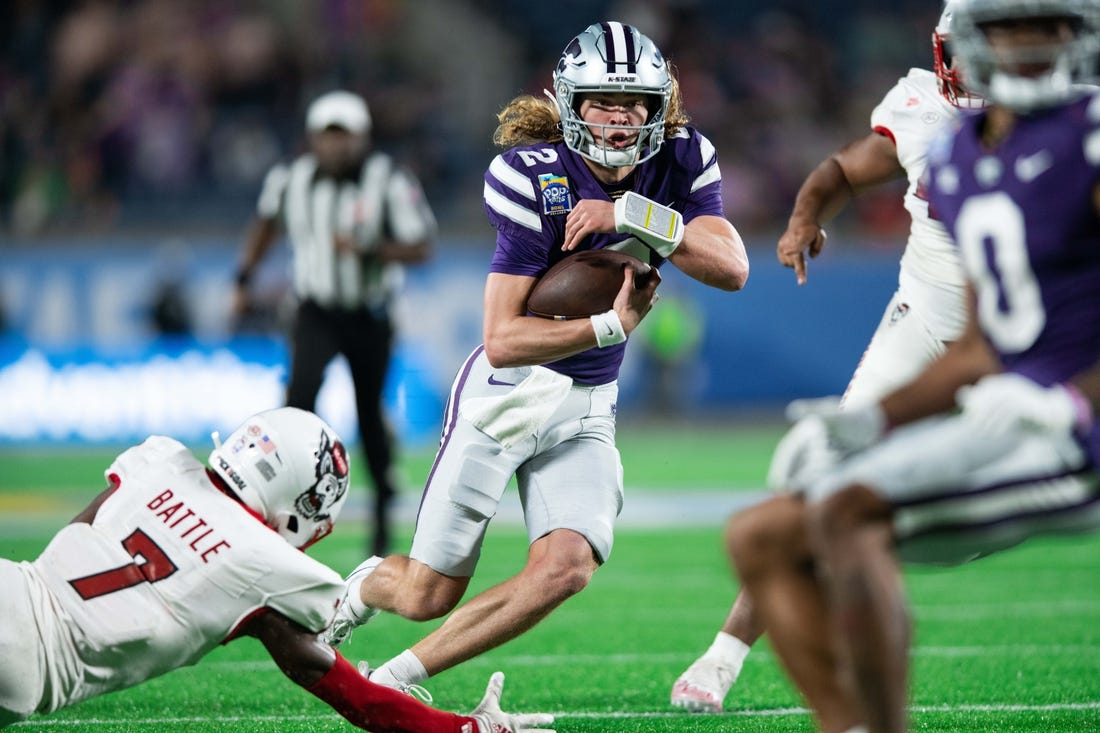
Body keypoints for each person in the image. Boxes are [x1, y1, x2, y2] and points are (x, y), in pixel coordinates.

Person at [322, 21, 750, 697]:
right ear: (570, 105)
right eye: (602, 103)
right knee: (427, 591)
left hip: (587, 405)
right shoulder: (531, 176)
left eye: (633, 103)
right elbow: (503, 338)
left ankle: (399, 678)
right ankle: (364, 585)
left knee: (567, 567)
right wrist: (609, 325)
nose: (618, 118)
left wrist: (631, 212)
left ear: (659, 106)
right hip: (509, 393)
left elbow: (731, 266)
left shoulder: (682, 156)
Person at [726, 1, 1100, 732]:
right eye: (1007, 30)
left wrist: (1075, 398)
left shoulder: (1090, 139)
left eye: (1045, 30)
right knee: (759, 536)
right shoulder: (958, 152)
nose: (1026, 49)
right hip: (1014, 405)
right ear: (964, 45)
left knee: (845, 514)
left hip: (1074, 423)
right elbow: (975, 347)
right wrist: (869, 418)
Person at [671, 1, 982, 712]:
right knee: (821, 472)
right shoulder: (922, 105)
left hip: (1031, 341)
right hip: (928, 319)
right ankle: (724, 655)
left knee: (951, 528)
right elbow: (846, 166)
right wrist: (806, 215)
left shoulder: (1073, 121)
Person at [0, 406, 554, 732]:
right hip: (22, 663)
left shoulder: (160, 462)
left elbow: (73, 540)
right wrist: (465, 729)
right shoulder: (266, 567)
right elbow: (360, 700)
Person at [231, 90, 436, 557]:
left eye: (345, 137)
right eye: (329, 136)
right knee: (296, 404)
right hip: (315, 310)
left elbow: (422, 245)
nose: (336, 147)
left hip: (370, 312)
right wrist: (244, 275)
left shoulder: (388, 179)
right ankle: (275, 507)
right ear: (313, 139)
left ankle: (383, 517)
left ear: (362, 139)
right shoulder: (291, 179)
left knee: (368, 412)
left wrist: (373, 250)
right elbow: (265, 224)